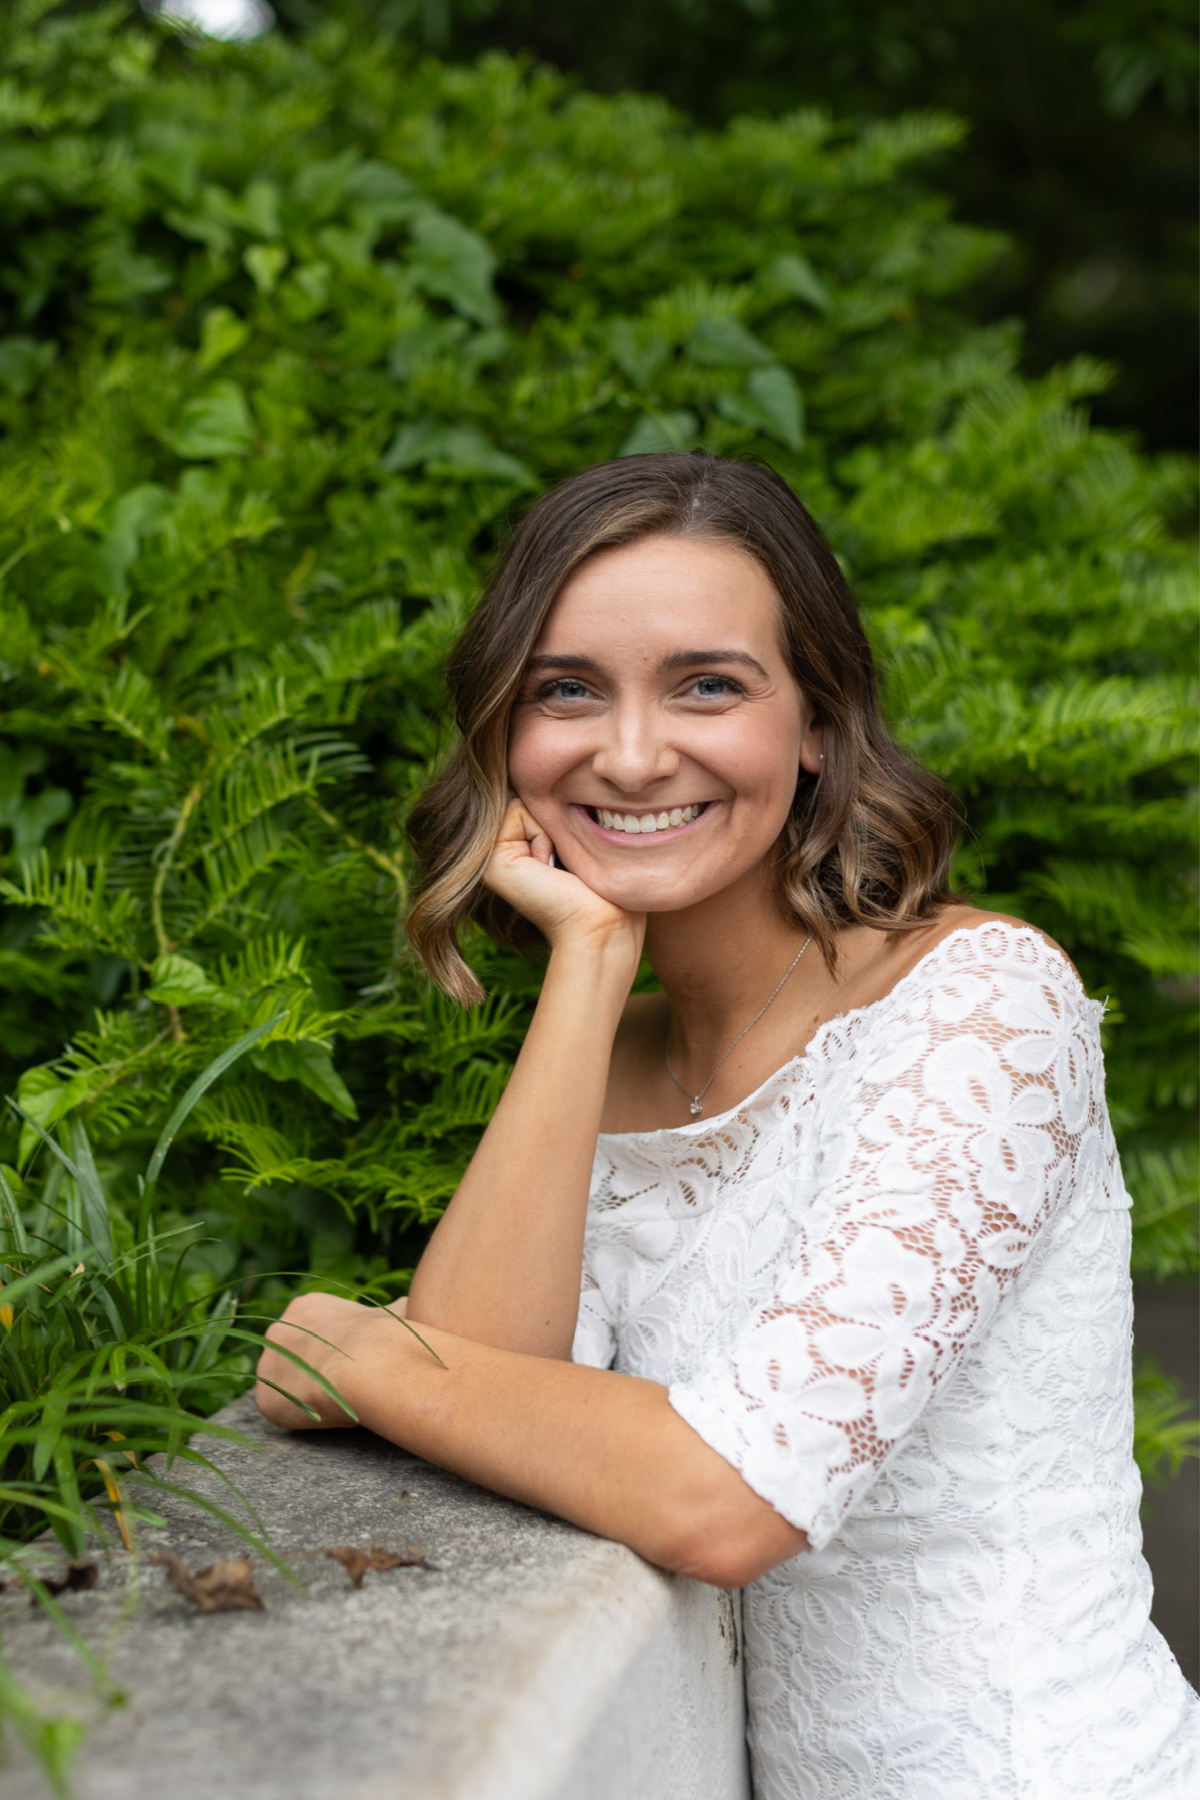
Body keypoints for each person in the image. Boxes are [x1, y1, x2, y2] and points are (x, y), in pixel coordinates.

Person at [255, 454, 1199, 1798]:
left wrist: (367, 1361)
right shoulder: (613, 1058)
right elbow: (482, 1380)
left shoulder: (984, 1007)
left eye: (708, 684)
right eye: (566, 690)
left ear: (817, 722)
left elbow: (728, 1498)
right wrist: (591, 963)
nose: (632, 753)